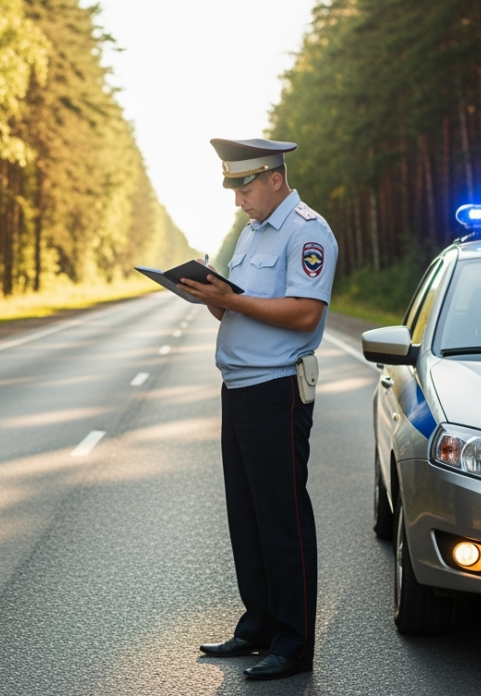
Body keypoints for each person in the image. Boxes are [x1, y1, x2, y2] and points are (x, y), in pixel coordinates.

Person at [178, 138, 338, 681]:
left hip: (276, 393)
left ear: (274, 178)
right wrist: (211, 298)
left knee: (283, 520)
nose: (239, 200)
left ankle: (292, 645)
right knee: (246, 518)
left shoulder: (308, 231)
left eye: (245, 188)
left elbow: (301, 314)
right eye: (234, 189)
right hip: (240, 389)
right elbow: (242, 314)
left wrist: (229, 298)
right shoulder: (251, 233)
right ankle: (258, 627)